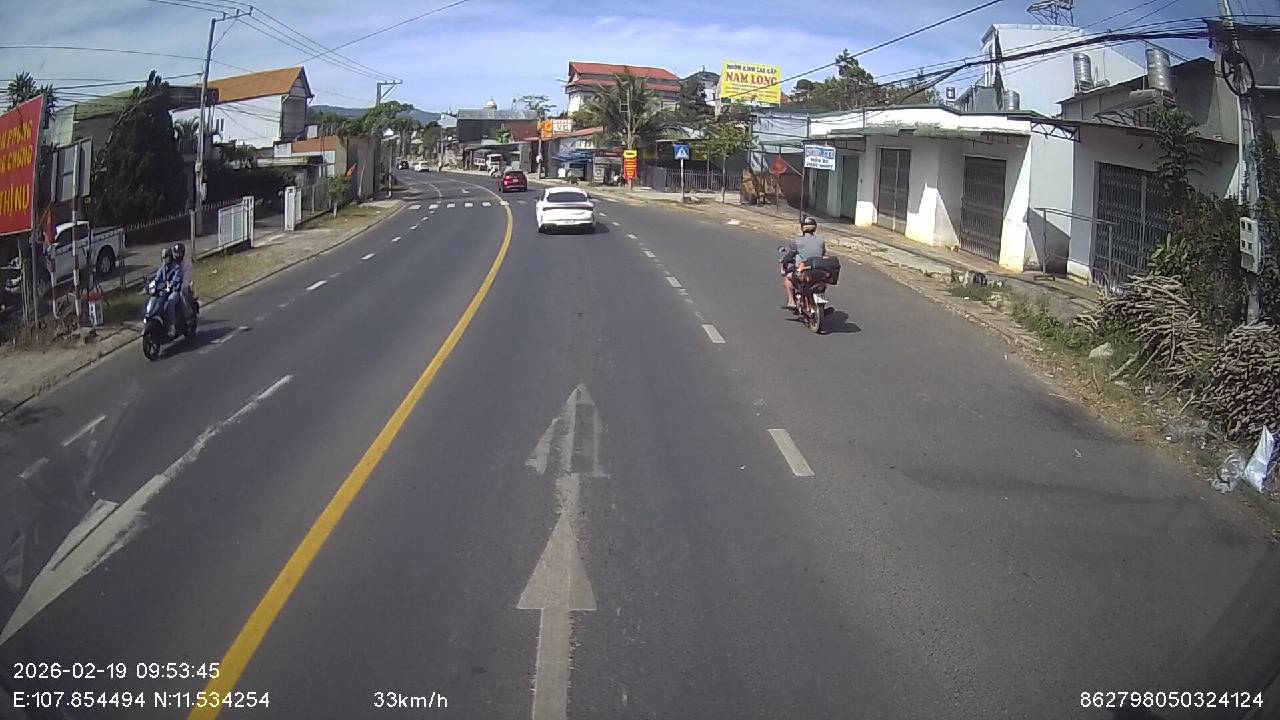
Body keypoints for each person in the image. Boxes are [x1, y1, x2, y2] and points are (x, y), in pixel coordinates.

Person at [780, 216, 827, 311]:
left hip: (804, 274)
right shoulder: (821, 242)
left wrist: (784, 263)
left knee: (788, 278)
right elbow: (822, 254)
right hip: (819, 273)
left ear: (802, 228)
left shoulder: (798, 242)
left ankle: (791, 301)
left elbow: (789, 257)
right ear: (815, 228)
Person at [153, 246, 185, 335]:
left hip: (175, 291)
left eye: (165, 257)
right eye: (163, 258)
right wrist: (151, 285)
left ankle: (172, 327)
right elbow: (157, 278)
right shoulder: (162, 268)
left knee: (170, 303)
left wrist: (170, 286)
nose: (164, 260)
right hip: (164, 291)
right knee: (157, 303)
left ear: (170, 257)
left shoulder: (176, 267)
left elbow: (176, 279)